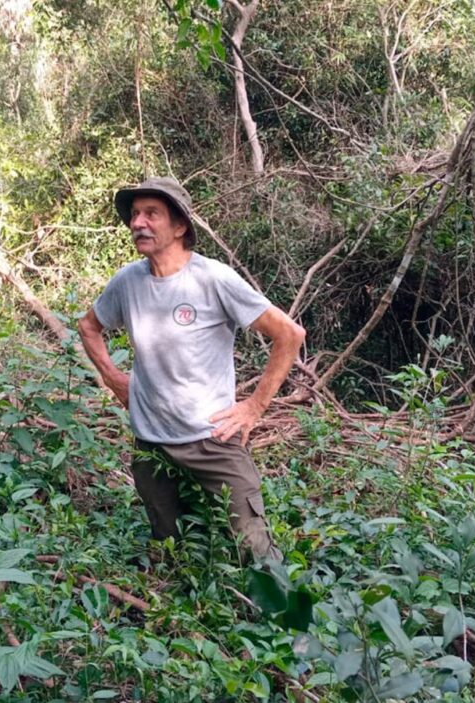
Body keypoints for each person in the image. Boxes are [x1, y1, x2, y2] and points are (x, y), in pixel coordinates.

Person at [77, 176, 305, 564]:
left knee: (254, 549)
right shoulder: (128, 282)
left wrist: (253, 407)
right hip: (151, 441)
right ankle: (186, 617)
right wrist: (114, 378)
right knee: (170, 547)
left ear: (180, 226)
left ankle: (280, 615)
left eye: (151, 214)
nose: (138, 223)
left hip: (211, 439)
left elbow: (289, 334)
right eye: (134, 215)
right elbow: (88, 327)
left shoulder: (213, 279)